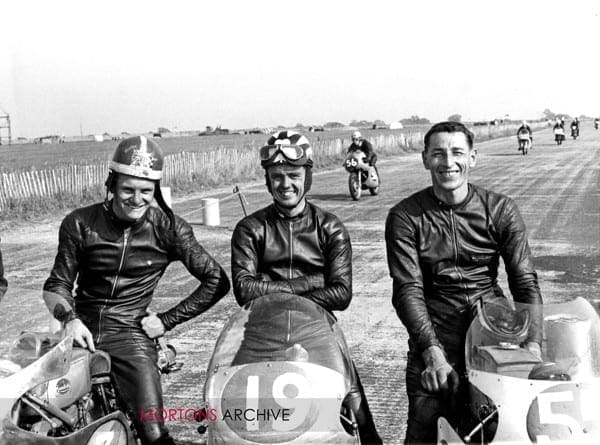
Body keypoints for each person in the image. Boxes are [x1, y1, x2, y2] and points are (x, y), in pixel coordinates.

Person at [43, 135, 230, 445]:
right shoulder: (78, 223)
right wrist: (69, 318)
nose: (137, 199)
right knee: (41, 414)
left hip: (130, 333)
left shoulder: (169, 228)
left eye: (146, 191)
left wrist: (167, 320)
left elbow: (216, 280)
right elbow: (56, 285)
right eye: (128, 189)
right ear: (112, 184)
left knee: (153, 431)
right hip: (78, 328)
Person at [385, 121, 543, 444]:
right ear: (425, 159)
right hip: (434, 334)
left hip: (494, 336)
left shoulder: (500, 209)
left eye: (457, 152)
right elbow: (407, 290)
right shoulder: (404, 217)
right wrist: (432, 353)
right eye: (438, 153)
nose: (448, 162)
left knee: (506, 431)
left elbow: (524, 281)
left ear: (473, 158)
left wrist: (534, 344)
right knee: (424, 431)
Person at [231, 130, 382, 444]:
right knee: (231, 415)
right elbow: (244, 290)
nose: (285, 184)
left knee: (358, 418)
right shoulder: (250, 229)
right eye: (277, 176)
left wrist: (271, 287)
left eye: (293, 175)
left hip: (317, 332)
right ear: (267, 179)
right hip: (261, 333)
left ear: (307, 177)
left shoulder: (330, 227)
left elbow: (341, 293)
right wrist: (312, 282)